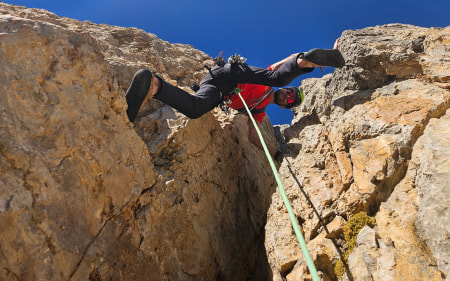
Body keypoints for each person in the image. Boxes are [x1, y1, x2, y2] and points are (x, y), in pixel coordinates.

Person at [125, 41, 345, 162]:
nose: (287, 96)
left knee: (196, 108)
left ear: (286, 106)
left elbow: (252, 135)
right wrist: (304, 59)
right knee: (277, 77)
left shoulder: (259, 111)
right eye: (290, 93)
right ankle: (308, 59)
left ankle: (153, 85)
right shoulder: (268, 84)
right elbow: (278, 66)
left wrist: (277, 154)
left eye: (290, 100)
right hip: (232, 72)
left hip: (215, 86)